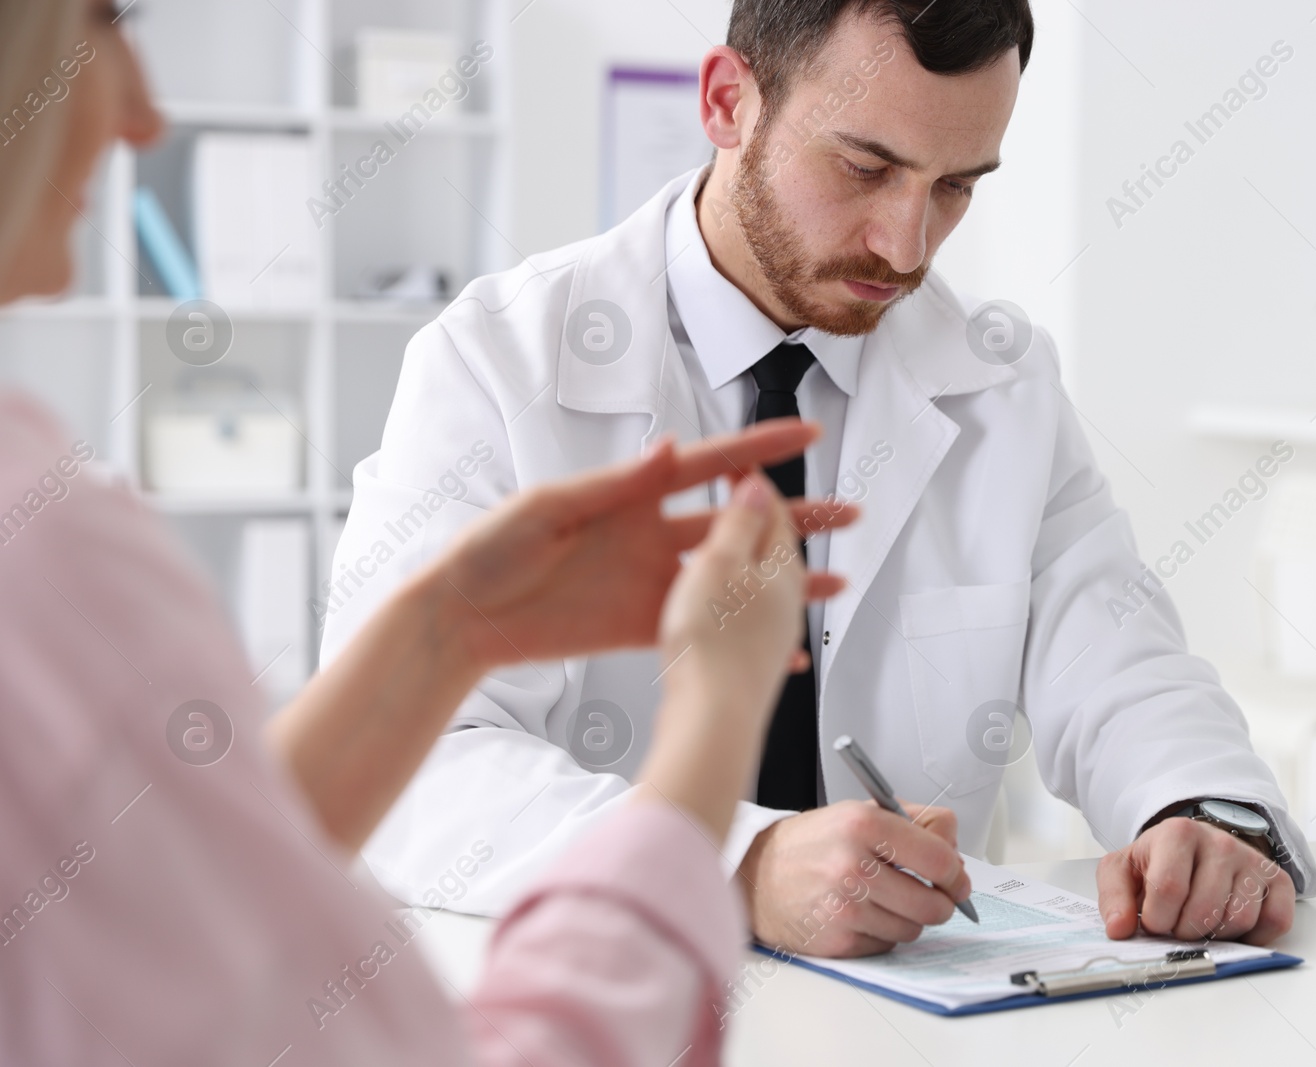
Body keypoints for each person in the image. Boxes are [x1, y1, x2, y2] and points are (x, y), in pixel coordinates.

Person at [325, 0, 1316, 960]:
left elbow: (1115, 654)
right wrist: (732, 864)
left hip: (904, 1009)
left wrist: (1198, 811)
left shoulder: (1000, 377)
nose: (905, 245)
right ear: (727, 102)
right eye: (865, 166)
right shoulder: (497, 362)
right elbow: (409, 757)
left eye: (955, 186)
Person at [0, 1, 866, 1063]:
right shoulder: (43, 548)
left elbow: (165, 886)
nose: (139, 114)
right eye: (102, 22)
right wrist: (717, 727)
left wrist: (448, 628)